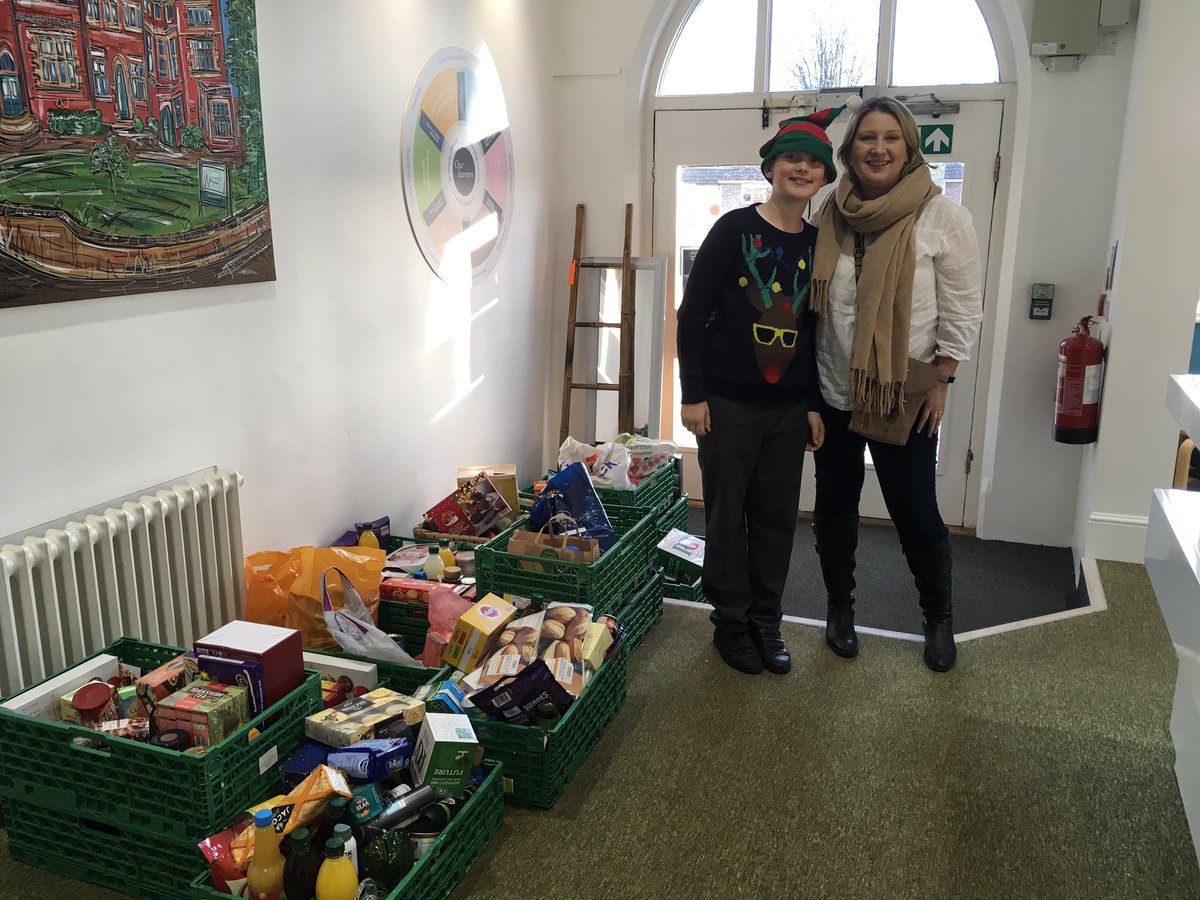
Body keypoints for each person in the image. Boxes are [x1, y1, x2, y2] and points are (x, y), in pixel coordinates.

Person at [809, 95, 983, 673]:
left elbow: (962, 309)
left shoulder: (941, 216)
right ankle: (840, 610)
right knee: (835, 505)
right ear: (849, 149)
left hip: (902, 391)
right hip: (833, 384)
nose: (878, 148)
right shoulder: (826, 209)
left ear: (909, 146)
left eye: (890, 137)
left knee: (914, 510)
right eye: (866, 138)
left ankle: (938, 618)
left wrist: (944, 379)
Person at [677, 106, 849, 675]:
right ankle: (730, 621)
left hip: (787, 409)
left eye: (813, 162)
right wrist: (693, 393)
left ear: (824, 176)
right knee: (728, 515)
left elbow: (816, 332)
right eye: (791, 159)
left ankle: (765, 620)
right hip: (727, 405)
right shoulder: (734, 229)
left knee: (776, 519)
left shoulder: (819, 243)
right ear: (771, 169)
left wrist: (813, 405)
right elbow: (692, 313)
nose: (801, 169)